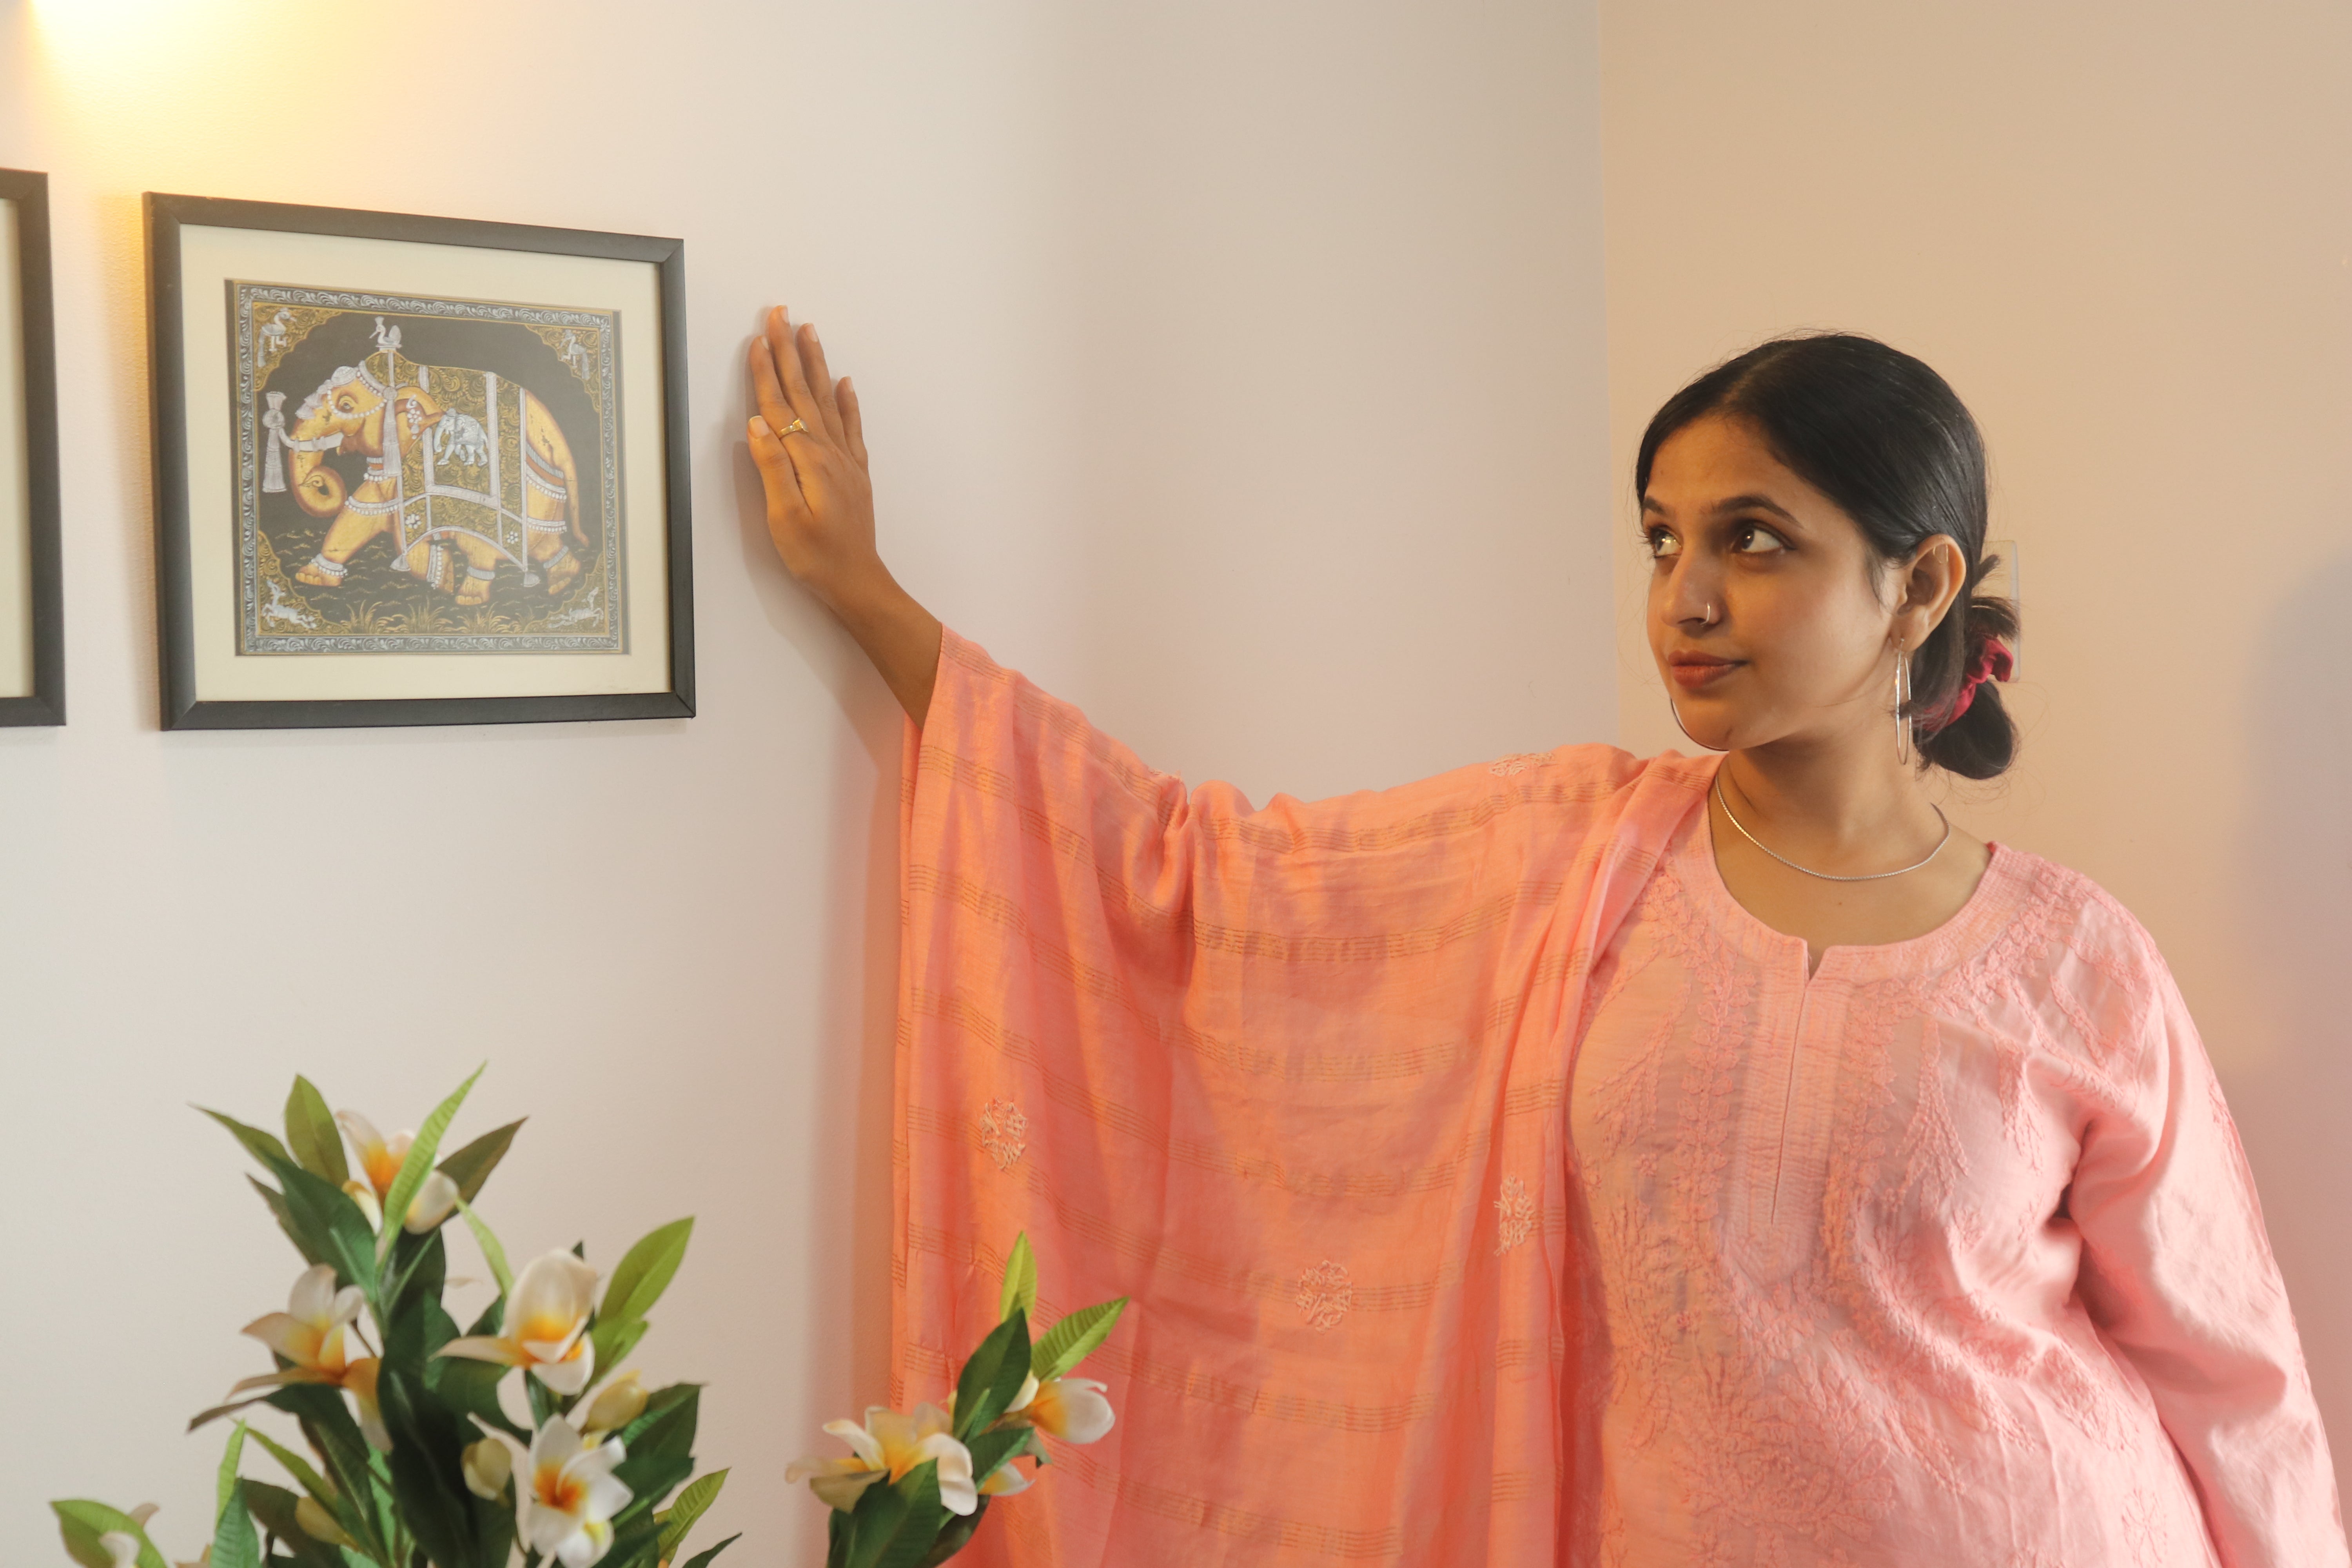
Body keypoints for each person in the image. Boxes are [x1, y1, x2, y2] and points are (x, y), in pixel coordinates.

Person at [747, 309, 2347, 1566]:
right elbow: (1203, 877)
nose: (1685, 598)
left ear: (1919, 583)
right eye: (1663, 540)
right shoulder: (1569, 854)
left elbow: (2236, 1378)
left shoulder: (2075, 961)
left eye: (1754, 539)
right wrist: (872, 600)